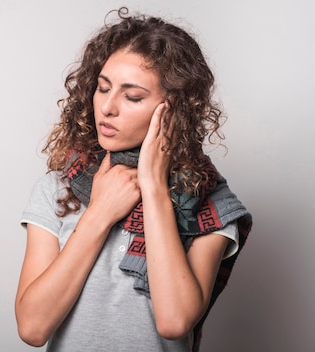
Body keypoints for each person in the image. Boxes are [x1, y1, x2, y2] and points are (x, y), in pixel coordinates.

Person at [14, 7, 252, 352]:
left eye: (132, 96)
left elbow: (174, 322)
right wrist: (99, 213)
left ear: (173, 109)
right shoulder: (59, 188)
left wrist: (153, 187)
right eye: (102, 88)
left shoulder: (210, 202)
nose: (107, 108)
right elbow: (33, 328)